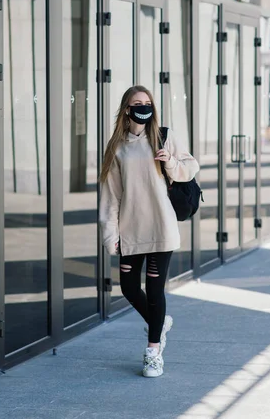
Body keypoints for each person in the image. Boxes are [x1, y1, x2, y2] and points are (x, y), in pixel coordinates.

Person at [99, 85, 199, 378]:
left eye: (147, 102)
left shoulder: (164, 137)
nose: (143, 107)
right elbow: (111, 196)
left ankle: (153, 351)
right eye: (136, 103)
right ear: (126, 109)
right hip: (132, 228)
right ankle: (159, 321)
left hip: (161, 226)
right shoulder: (117, 147)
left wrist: (169, 162)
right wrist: (111, 234)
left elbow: (190, 168)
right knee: (129, 287)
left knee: (155, 290)